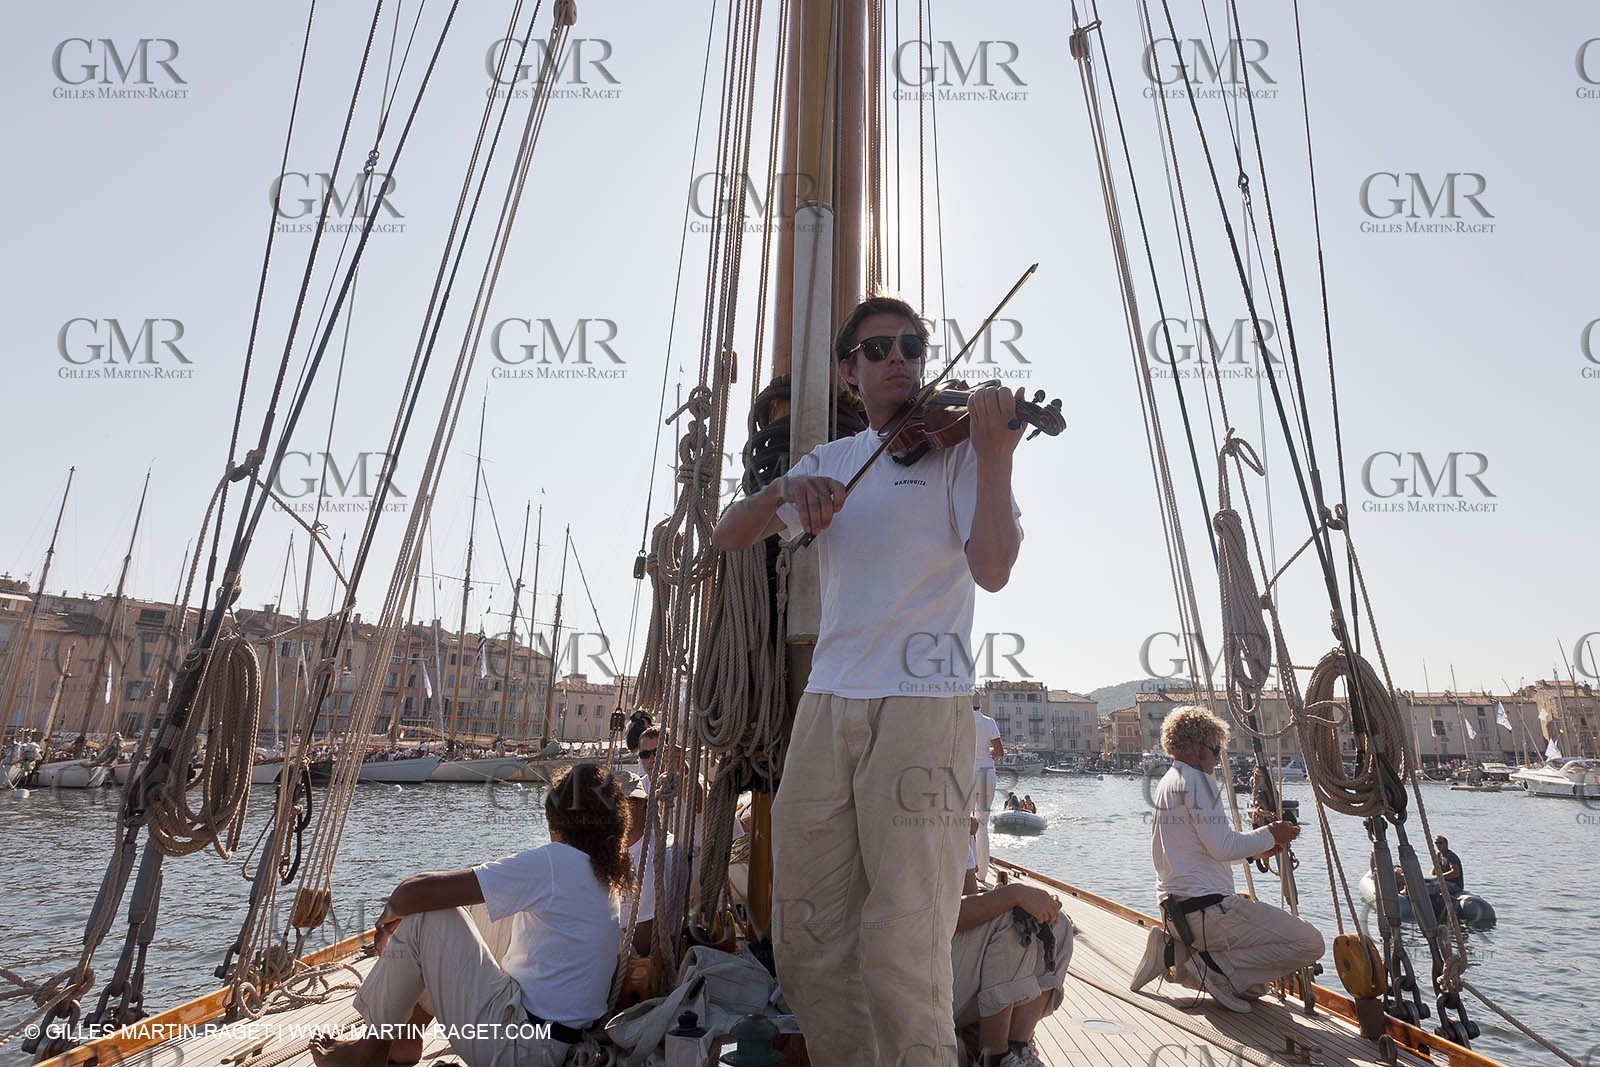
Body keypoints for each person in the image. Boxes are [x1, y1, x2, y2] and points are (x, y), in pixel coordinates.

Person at [712, 294, 1026, 1067]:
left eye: (911, 347)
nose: (899, 361)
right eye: (879, 349)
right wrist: (784, 492)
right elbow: (728, 533)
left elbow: (991, 568)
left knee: (906, 935)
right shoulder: (833, 463)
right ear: (851, 373)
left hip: (925, 708)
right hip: (829, 702)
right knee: (807, 931)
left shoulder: (956, 455)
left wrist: (995, 452)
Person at [309, 764, 629, 1067]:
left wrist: (385, 926)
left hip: (519, 1048)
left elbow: (412, 892)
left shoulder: (558, 863)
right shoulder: (604, 876)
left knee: (427, 917)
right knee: (483, 908)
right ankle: (407, 1035)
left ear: (556, 822)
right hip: (557, 1045)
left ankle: (368, 1053)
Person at [1131, 705, 1324, 1014]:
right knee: (1310, 943)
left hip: (1177, 914)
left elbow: (1203, 850)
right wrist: (1271, 834)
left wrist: (1254, 851)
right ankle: (1203, 967)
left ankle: (1180, 954)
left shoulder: (1170, 781)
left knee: (1256, 987)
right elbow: (1222, 848)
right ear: (1197, 748)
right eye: (1215, 749)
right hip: (1209, 914)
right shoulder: (1198, 782)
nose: (1217, 758)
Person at [954, 820, 1072, 1067]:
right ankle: (994, 1056)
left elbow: (968, 893)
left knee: (1058, 926)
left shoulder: (958, 814)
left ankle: (1017, 1046)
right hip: (923, 968)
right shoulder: (924, 818)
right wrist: (1012, 895)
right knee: (1017, 921)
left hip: (956, 966)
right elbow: (932, 919)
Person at [972, 703, 1004, 882]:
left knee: (965, 824)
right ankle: (982, 874)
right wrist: (988, 751)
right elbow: (999, 752)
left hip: (967, 772)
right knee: (982, 826)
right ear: (980, 705)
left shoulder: (961, 719)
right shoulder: (989, 721)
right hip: (987, 774)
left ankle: (968, 871)